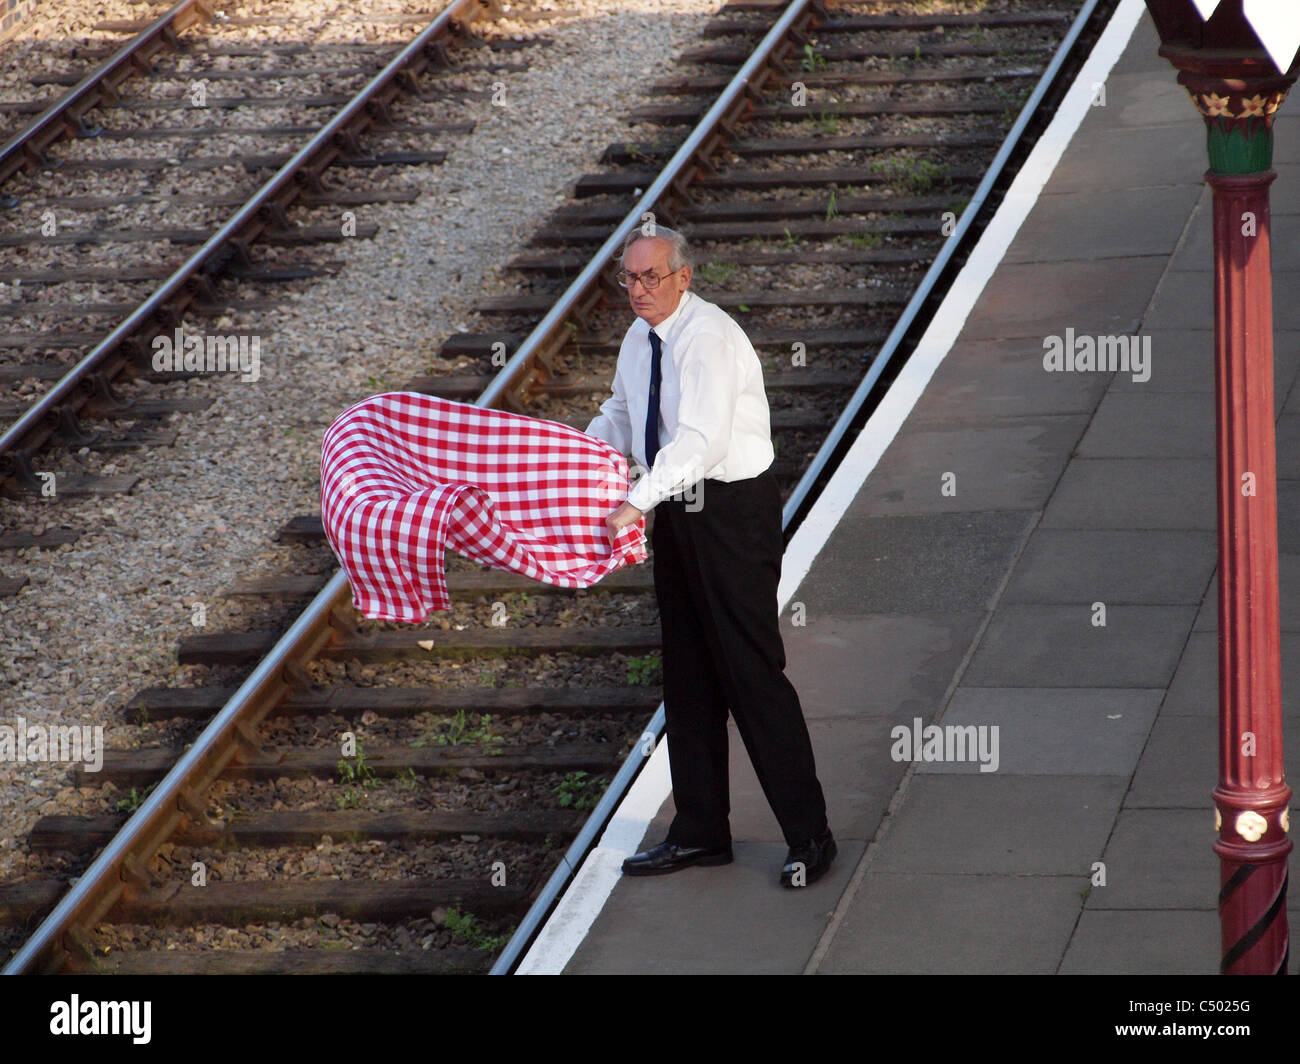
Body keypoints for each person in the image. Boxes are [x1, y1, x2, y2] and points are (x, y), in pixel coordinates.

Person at [585, 225, 835, 887]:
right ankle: (700, 831)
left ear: (683, 277)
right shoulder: (641, 339)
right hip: (675, 510)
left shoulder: (710, 338)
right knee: (688, 672)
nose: (638, 291)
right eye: (629, 279)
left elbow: (700, 441)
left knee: (750, 670)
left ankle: (810, 836)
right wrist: (579, 464)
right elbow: (620, 410)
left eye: (651, 278)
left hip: (727, 510)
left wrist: (634, 503)